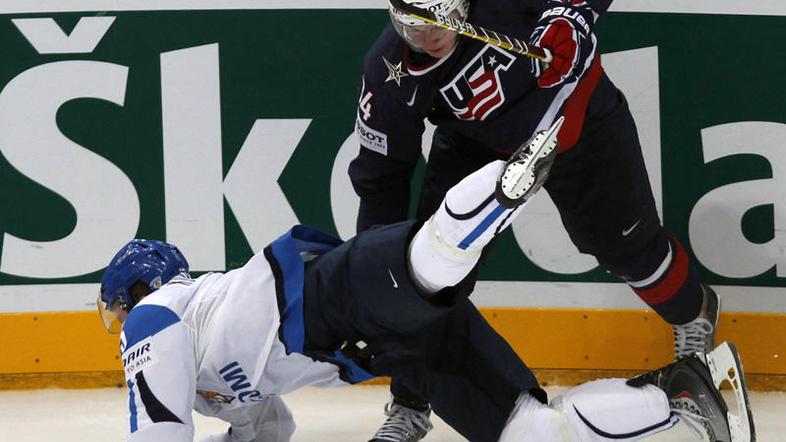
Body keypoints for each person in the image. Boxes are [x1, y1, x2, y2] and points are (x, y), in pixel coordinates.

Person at [97, 125, 750, 442]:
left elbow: (157, 432)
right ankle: (685, 399)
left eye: (113, 315)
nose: (117, 331)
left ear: (134, 296)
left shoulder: (157, 316)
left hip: (319, 300)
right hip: (380, 346)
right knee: (530, 433)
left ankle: (502, 187)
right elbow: (271, 428)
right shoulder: (209, 380)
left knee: (422, 263)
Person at [348, 0, 721, 439]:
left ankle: (691, 312)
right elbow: (381, 178)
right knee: (429, 274)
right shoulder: (388, 69)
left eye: (438, 25)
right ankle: (411, 400)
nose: (426, 40)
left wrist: (573, 15)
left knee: (628, 248)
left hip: (575, 121)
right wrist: (376, 265)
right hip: (477, 150)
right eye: (412, 27)